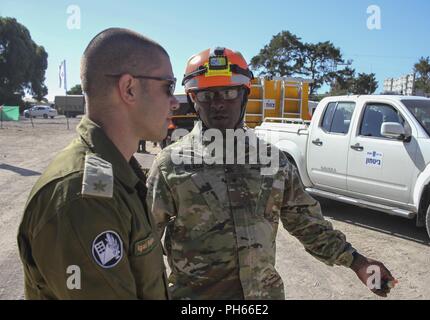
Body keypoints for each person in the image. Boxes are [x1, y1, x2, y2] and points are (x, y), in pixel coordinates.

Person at [146, 47, 396, 300]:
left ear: (245, 94)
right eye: (207, 95)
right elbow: (145, 241)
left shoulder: (273, 161)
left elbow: (306, 223)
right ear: (193, 98)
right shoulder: (171, 165)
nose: (219, 103)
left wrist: (359, 263)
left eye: (229, 92)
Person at [17, 28, 179, 299]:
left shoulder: (117, 173)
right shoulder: (83, 198)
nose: (175, 102)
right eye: (168, 86)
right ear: (129, 89)